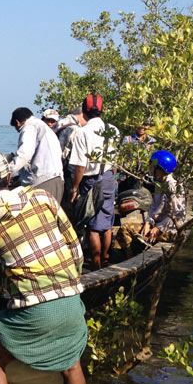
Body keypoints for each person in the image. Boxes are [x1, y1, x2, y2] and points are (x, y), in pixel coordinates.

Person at [0, 150, 86, 384]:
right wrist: (72, 284)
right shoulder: (42, 198)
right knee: (72, 365)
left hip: (33, 308)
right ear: (9, 177)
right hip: (70, 300)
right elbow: (74, 248)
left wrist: (0, 306)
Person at [68, 94, 120, 270]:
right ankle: (105, 258)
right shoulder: (113, 130)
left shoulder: (83, 132)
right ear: (102, 111)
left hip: (91, 180)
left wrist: (75, 188)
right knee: (107, 222)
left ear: (84, 111)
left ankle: (97, 265)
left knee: (93, 226)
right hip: (109, 177)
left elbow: (80, 166)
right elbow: (116, 160)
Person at [116, 150, 186, 257]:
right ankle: (131, 256)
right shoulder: (160, 184)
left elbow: (177, 215)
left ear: (161, 169)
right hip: (158, 225)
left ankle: (131, 258)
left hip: (170, 230)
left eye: (154, 167)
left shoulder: (173, 187)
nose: (151, 170)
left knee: (125, 229)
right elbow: (154, 207)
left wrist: (158, 228)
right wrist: (148, 223)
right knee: (126, 230)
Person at [8, 107, 64, 203]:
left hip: (43, 180)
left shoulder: (29, 126)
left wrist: (8, 171)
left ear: (18, 122)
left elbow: (24, 154)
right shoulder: (43, 127)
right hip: (57, 179)